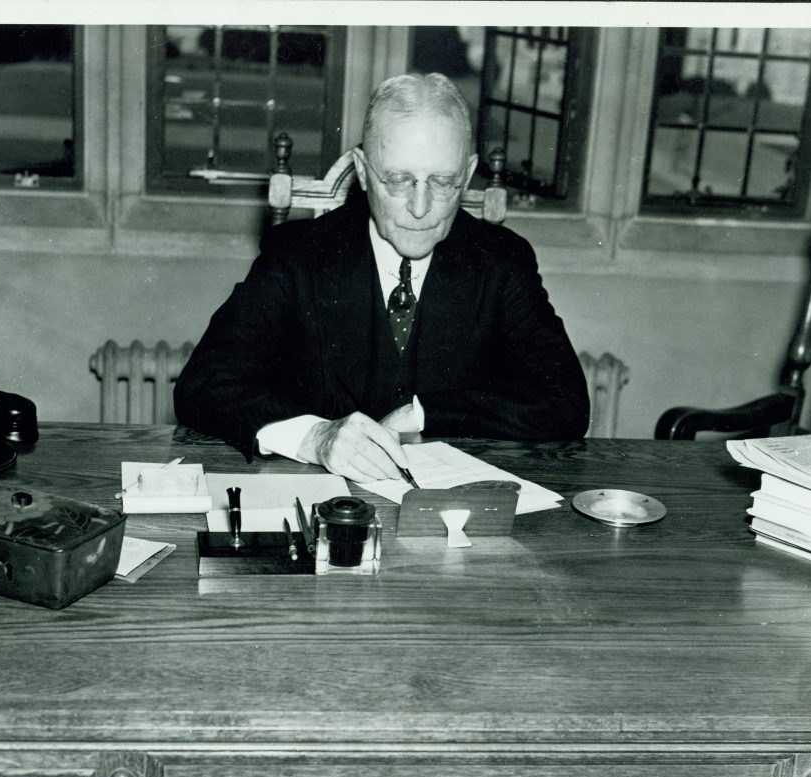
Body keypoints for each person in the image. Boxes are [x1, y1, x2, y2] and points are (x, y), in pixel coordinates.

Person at [175, 73, 589, 482]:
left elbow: (566, 402)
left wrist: (426, 412)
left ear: (468, 172)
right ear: (362, 170)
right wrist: (315, 437)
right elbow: (203, 385)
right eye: (398, 180)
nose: (421, 207)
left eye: (443, 182)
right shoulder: (298, 255)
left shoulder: (501, 261)